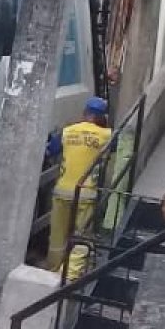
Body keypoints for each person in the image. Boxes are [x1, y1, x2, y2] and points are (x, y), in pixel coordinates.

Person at [46, 96, 112, 270]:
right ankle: (68, 276)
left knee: (57, 237)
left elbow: (51, 151)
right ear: (103, 117)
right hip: (86, 193)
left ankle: (53, 269)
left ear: (85, 113)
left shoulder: (68, 131)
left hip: (62, 191)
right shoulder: (106, 135)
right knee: (82, 237)